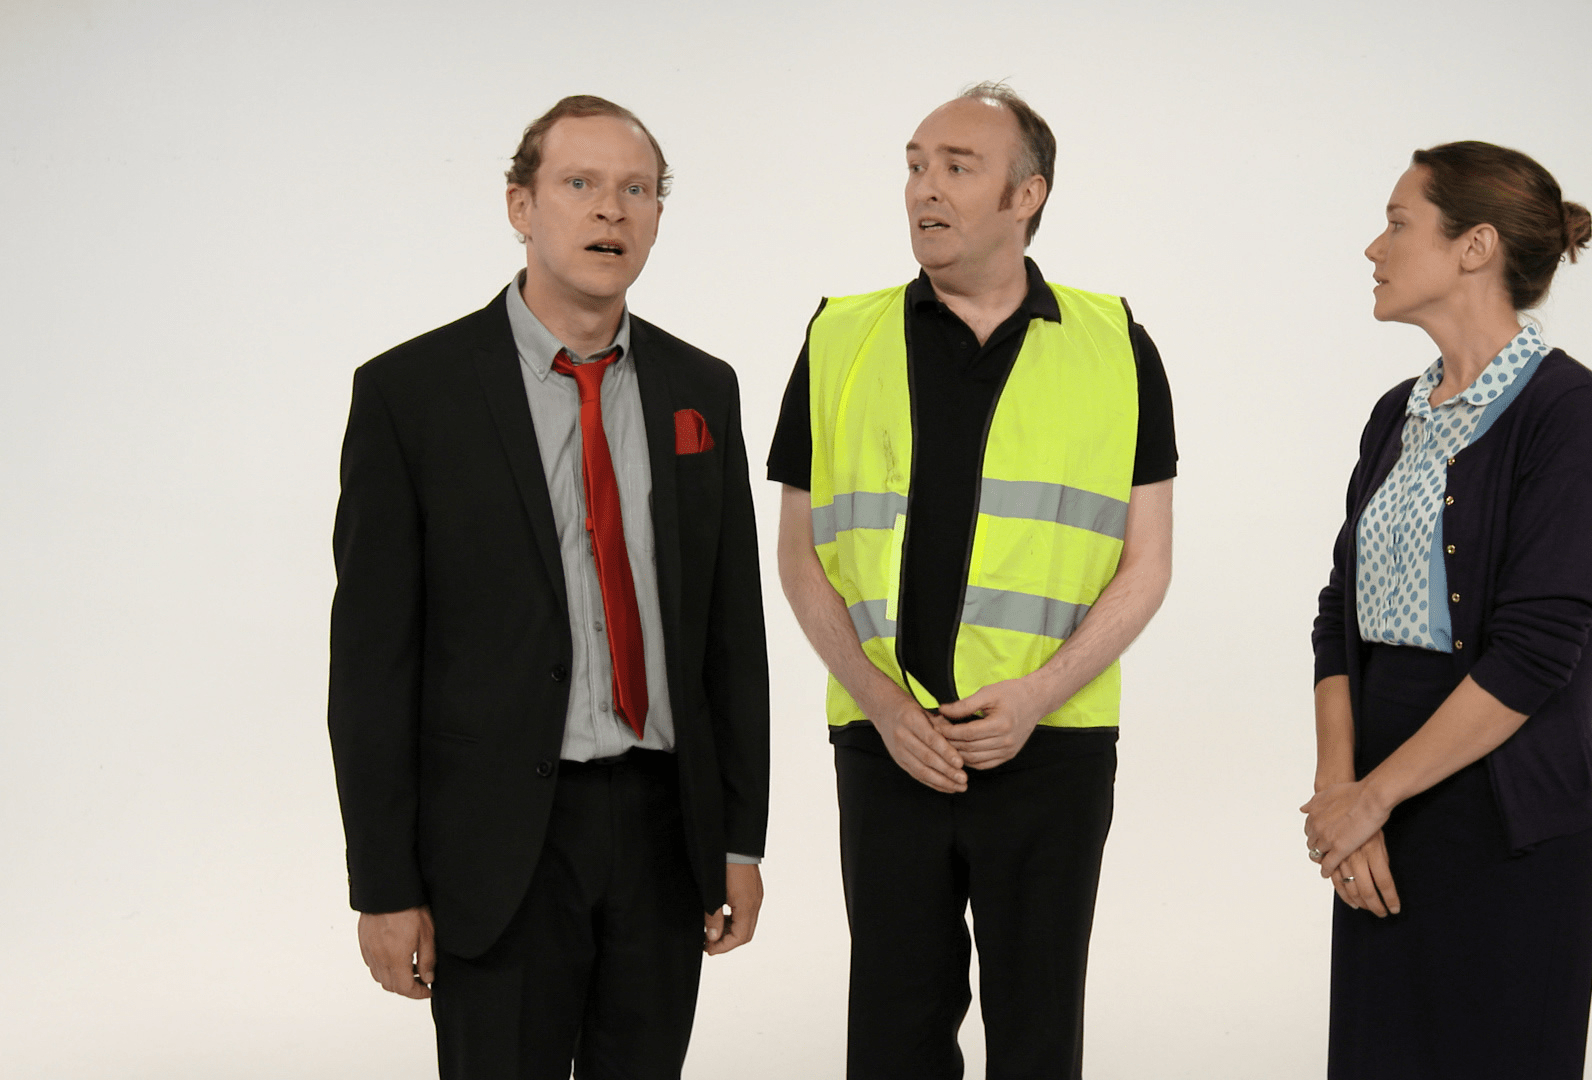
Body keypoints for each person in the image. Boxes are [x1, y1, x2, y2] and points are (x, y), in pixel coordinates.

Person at [327, 95, 769, 1080]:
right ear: (520, 206)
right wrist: (383, 884)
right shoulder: (411, 395)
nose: (611, 210)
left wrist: (739, 837)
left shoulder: (703, 388)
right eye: (580, 184)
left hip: (663, 833)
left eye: (636, 189)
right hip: (496, 847)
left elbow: (730, 634)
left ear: (658, 216)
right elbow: (371, 666)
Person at [768, 82, 1176, 1080]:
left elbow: (1148, 563)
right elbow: (799, 554)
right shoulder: (838, 335)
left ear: (1025, 195)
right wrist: (883, 705)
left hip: (1051, 747)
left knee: (1038, 1040)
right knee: (893, 1041)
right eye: (915, 165)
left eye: (958, 167)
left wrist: (1036, 696)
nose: (925, 188)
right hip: (887, 747)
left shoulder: (1117, 344)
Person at [1300, 140, 1592, 1078]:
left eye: (1398, 224)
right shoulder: (1394, 416)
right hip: (1381, 822)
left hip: (1505, 824)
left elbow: (1536, 651)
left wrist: (1372, 795)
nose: (1375, 247)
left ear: (1474, 246)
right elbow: (1338, 615)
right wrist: (1341, 796)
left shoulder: (1569, 413)